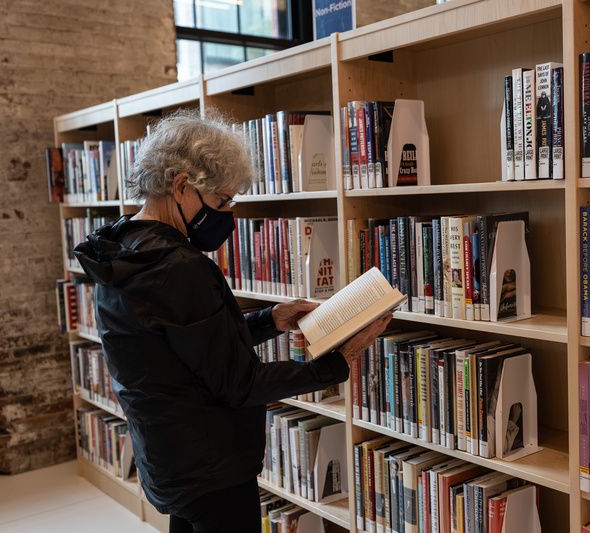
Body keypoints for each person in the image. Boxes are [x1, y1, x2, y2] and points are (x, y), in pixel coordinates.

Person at [74, 110, 392, 533]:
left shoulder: (123, 248)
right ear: (182, 185)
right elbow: (241, 383)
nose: (227, 214)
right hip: (211, 469)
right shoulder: (177, 267)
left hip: (168, 456)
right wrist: (339, 361)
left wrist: (268, 320)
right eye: (222, 202)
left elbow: (187, 344)